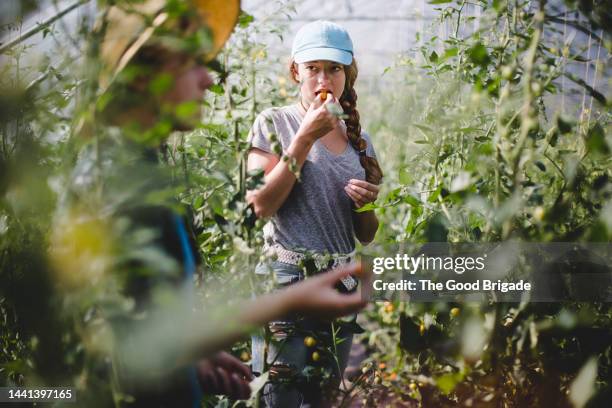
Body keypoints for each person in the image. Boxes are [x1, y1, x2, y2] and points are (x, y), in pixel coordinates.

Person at [51, 2, 368, 407]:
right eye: (193, 64)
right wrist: (289, 300)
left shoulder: (138, 166)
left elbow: (142, 322)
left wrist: (192, 356)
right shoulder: (117, 181)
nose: (207, 80)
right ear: (147, 72)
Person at [246, 20, 383, 407]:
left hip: (341, 285)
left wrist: (366, 204)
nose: (324, 78)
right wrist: (305, 136)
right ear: (296, 72)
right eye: (313, 68)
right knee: (280, 399)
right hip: (287, 285)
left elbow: (366, 234)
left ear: (347, 74)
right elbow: (259, 206)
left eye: (334, 69)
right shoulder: (274, 123)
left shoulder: (360, 139)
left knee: (323, 400)